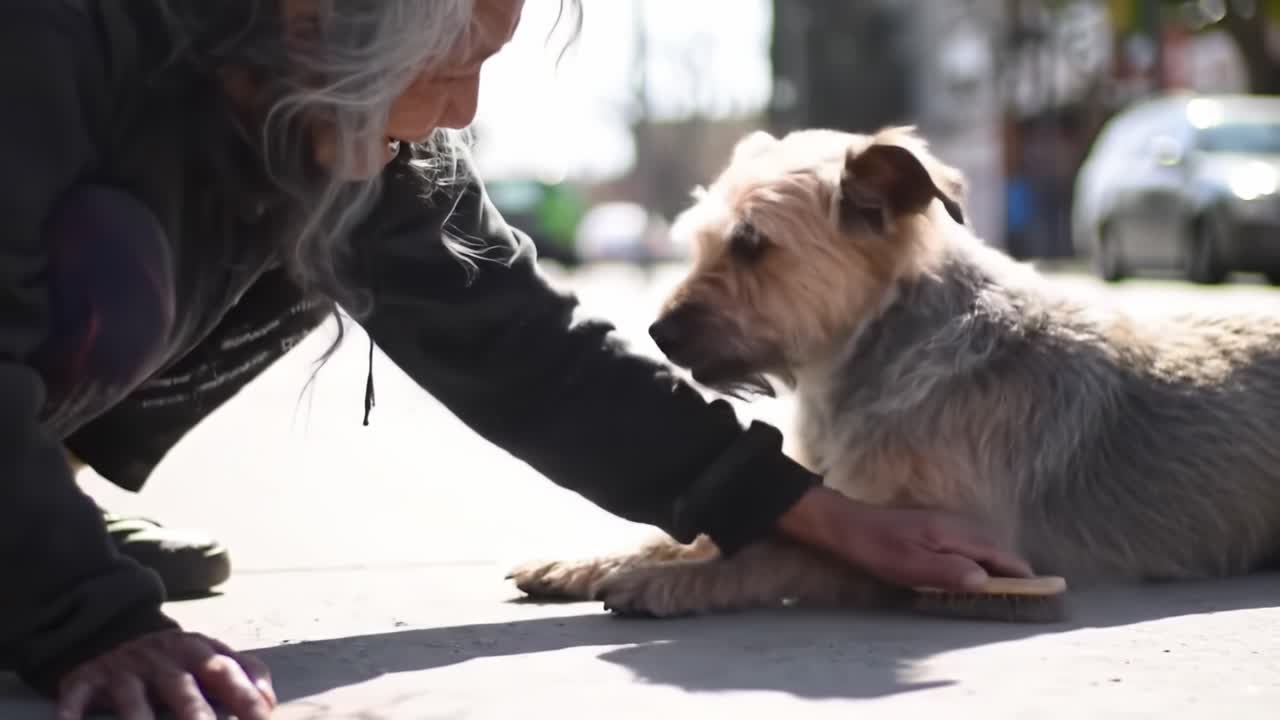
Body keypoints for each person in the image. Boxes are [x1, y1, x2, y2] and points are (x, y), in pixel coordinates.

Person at [0, 1, 1032, 718]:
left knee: (313, 217)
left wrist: (815, 514)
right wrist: (88, 617)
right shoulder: (52, 36)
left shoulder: (329, 100)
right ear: (321, 18)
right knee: (111, 264)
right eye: (450, 64)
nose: (462, 109)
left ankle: (51, 487)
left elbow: (522, 343)